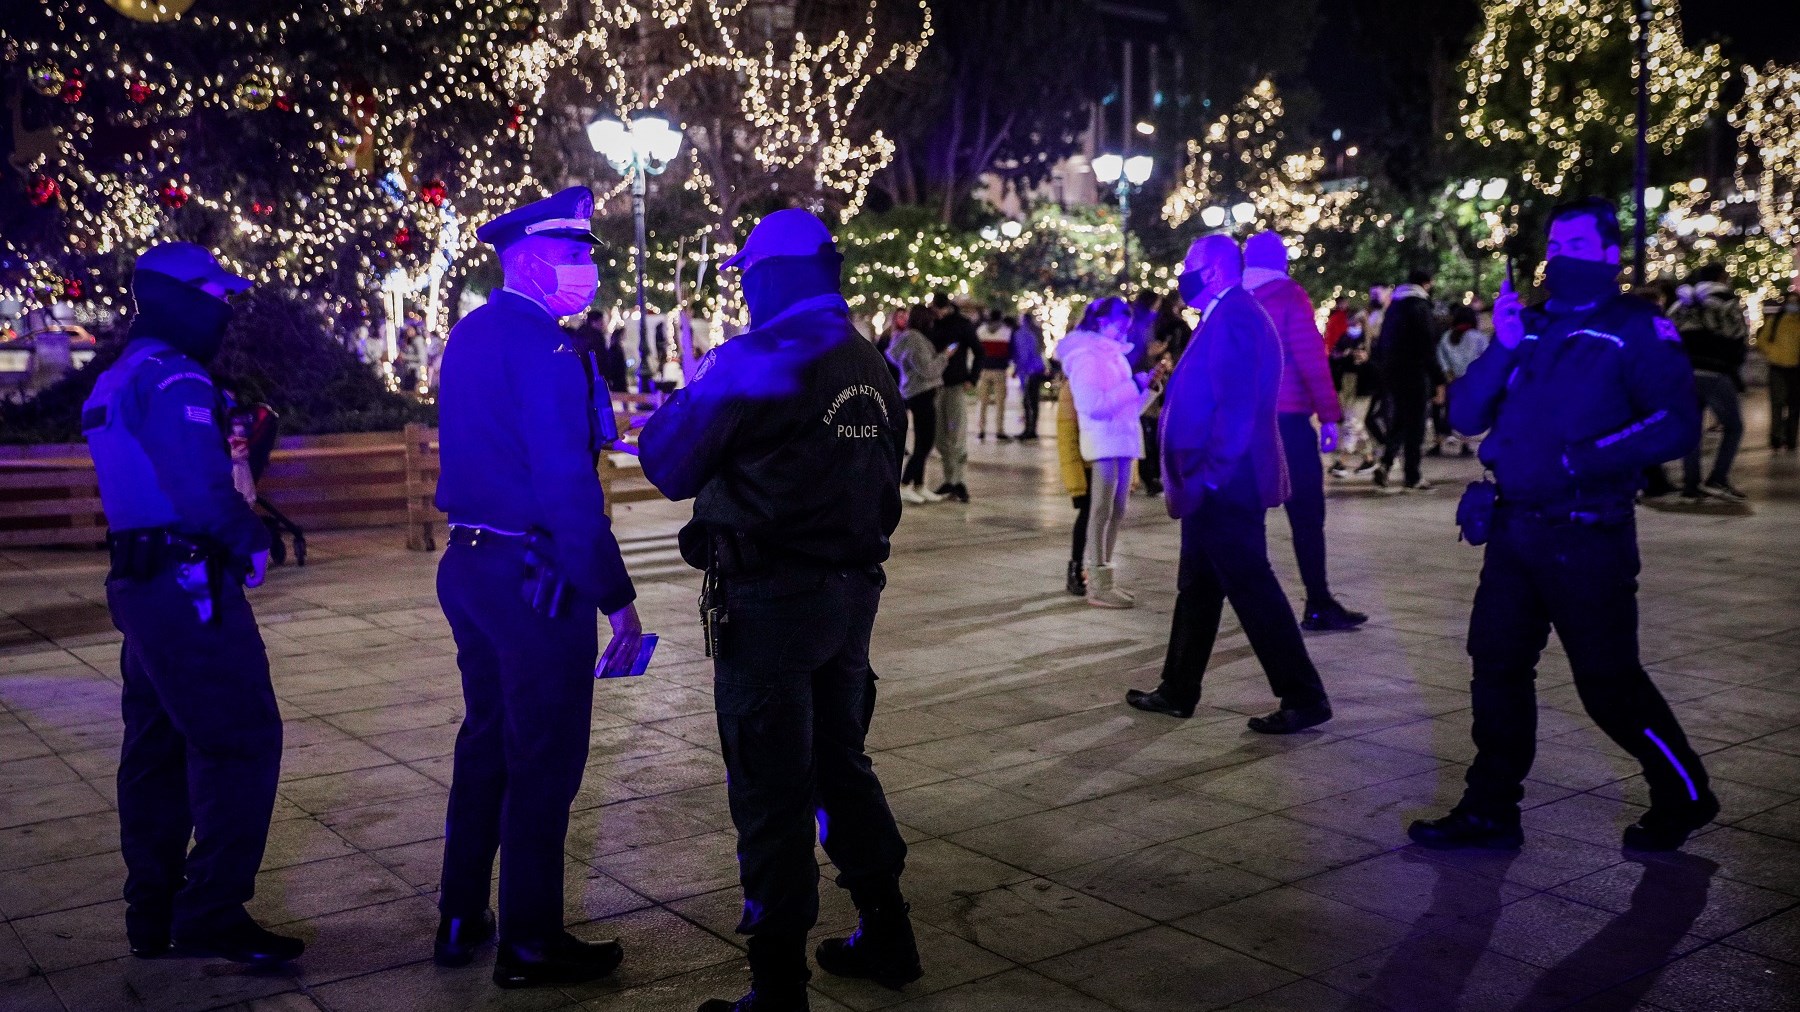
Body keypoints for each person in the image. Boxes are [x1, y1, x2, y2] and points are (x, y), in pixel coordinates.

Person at [638, 209, 919, 1012]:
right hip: (850, 595)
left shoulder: (758, 357)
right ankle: (889, 930)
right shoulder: (869, 361)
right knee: (840, 764)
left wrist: (699, 384)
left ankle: (778, 986)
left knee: (771, 788)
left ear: (771, 278)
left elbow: (666, 461)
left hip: (769, 603)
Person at [1409, 196, 1717, 854]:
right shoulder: (1530, 326)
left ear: (1609, 254)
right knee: (1496, 667)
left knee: (1607, 682)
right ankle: (1490, 806)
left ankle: (1684, 792)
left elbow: (1677, 423)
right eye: (1554, 246)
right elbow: (1465, 415)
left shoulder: (1636, 326)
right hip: (1513, 528)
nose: (1560, 259)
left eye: (1576, 246)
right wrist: (1503, 345)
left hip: (1588, 532)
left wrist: (1583, 459)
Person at [432, 187, 644, 988]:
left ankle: (461, 914)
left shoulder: (471, 333)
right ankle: (529, 942)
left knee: (487, 739)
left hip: (470, 562)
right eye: (574, 253)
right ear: (526, 260)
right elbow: (565, 484)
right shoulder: (545, 347)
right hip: (532, 576)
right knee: (544, 756)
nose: (588, 268)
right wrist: (614, 595)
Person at [80, 243, 298, 966]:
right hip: (187, 585)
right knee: (240, 739)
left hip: (139, 586)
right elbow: (201, 488)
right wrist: (250, 540)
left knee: (156, 748)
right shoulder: (176, 376)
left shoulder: (120, 374)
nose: (224, 309)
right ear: (177, 296)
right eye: (215, 294)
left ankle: (152, 910)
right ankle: (212, 908)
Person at [1126, 235, 1333, 734]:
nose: (1184, 274)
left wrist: (1213, 475)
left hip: (1227, 482)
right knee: (1198, 586)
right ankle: (1178, 689)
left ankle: (1304, 696)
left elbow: (1237, 406)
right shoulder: (1224, 313)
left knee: (1252, 586)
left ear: (1216, 270)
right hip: (1215, 481)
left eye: (1190, 265)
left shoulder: (1238, 316)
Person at [1243, 231, 1366, 633]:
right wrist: (1329, 415)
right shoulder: (1288, 295)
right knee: (1307, 512)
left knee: (1251, 514)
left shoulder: (1237, 298)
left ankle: (1256, 604)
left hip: (1247, 421)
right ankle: (1318, 600)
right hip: (1288, 417)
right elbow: (1310, 356)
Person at [1058, 296, 1156, 608]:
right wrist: (1133, 386)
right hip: (1102, 442)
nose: (1124, 330)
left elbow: (1128, 409)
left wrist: (1148, 389)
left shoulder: (1115, 355)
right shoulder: (1086, 356)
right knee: (1101, 510)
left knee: (1117, 510)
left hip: (1123, 440)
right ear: (1101, 321)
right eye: (1120, 324)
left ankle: (1104, 579)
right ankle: (1097, 584)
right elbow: (1093, 406)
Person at [1670, 263, 1750, 502]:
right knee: (1734, 427)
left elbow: (1666, 335)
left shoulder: (1680, 304)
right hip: (1715, 371)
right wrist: (1733, 365)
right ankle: (1718, 477)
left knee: (1692, 428)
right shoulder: (1725, 301)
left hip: (1684, 372)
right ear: (1721, 277)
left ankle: (1691, 484)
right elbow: (1738, 335)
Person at [1373, 269, 1445, 491]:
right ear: (1426, 283)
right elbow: (1427, 346)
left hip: (1392, 372)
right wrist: (1438, 379)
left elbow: (1382, 342)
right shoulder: (1420, 307)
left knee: (1401, 420)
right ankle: (1412, 476)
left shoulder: (1394, 307)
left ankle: (1386, 462)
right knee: (1416, 424)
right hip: (1415, 372)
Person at [888, 303, 953, 503]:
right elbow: (928, 369)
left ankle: (919, 484)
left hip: (916, 392)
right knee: (926, 441)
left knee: (922, 441)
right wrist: (945, 356)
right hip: (921, 393)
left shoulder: (909, 338)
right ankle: (904, 484)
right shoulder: (914, 339)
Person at [929, 293, 979, 501]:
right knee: (940, 437)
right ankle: (949, 479)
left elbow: (979, 351)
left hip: (955, 385)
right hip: (935, 386)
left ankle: (959, 481)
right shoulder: (932, 324)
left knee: (956, 434)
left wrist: (972, 378)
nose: (939, 313)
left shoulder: (962, 325)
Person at [1434, 305, 1490, 458]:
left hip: (1452, 381)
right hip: (1471, 382)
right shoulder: (1479, 337)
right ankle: (1465, 445)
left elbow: (1441, 358)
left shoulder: (1447, 336)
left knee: (1445, 411)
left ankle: (1438, 443)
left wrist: (1448, 374)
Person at [1056, 370, 1093, 597]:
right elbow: (1067, 436)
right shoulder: (1072, 385)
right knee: (1088, 514)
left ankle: (1095, 567)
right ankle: (1076, 567)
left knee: (1102, 516)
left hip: (1104, 458)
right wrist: (1075, 480)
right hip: (1085, 463)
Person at [1759, 282, 1800, 451]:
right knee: (1777, 404)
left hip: (1796, 369)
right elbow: (1762, 341)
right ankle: (1776, 437)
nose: (1793, 306)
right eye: (1790, 302)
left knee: (1794, 406)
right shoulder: (1775, 321)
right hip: (1777, 367)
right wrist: (1772, 353)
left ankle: (1791, 438)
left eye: (1796, 303)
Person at [974, 308, 1014, 440]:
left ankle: (981, 430)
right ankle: (999, 431)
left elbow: (976, 350)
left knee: (982, 402)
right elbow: (1010, 351)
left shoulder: (981, 330)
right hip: (999, 370)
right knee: (1000, 402)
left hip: (984, 370)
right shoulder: (1006, 331)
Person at [1011, 311, 1048, 440]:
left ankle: (1029, 429)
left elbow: (1023, 354)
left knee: (1027, 400)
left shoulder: (1021, 333)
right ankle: (1032, 428)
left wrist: (1018, 368)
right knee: (1033, 400)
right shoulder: (1037, 331)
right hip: (1036, 369)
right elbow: (1040, 349)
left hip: (1027, 371)